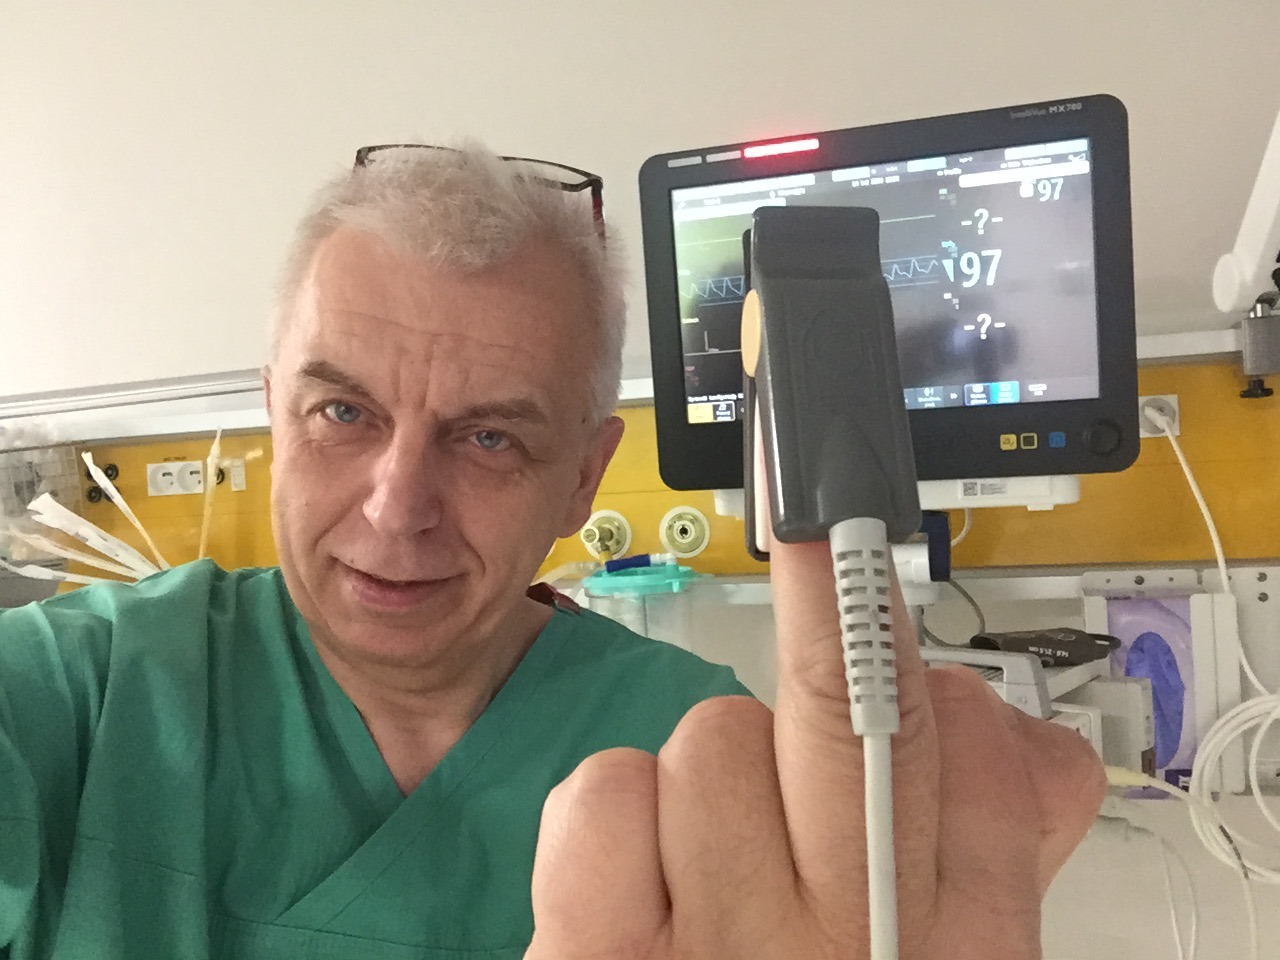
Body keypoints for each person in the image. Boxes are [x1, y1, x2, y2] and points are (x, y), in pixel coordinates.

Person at [0, 144, 1104, 959]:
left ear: (582, 476)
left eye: (488, 438)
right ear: (274, 413)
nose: (397, 509)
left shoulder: (700, 763)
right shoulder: (79, 693)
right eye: (342, 413)